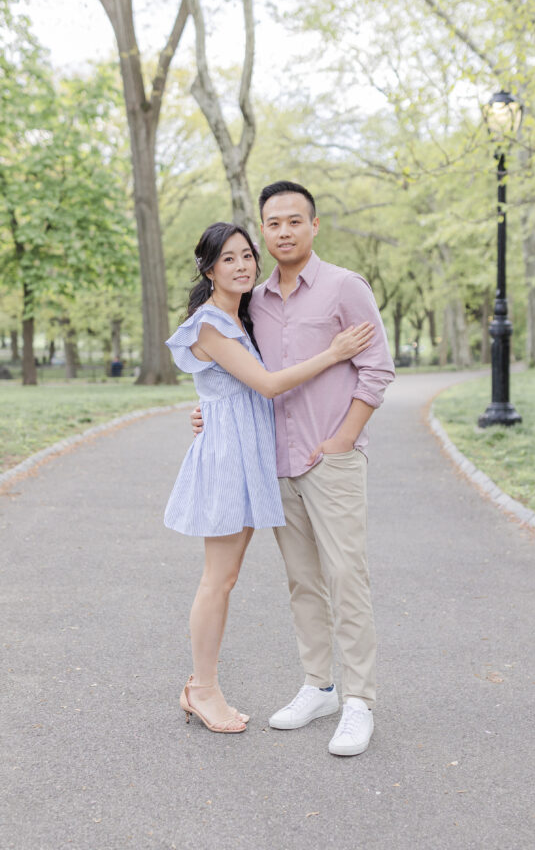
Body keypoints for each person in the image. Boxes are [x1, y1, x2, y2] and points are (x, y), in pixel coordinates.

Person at [192, 182, 395, 755]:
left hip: (329, 460)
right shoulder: (252, 301)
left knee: (346, 577)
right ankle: (319, 686)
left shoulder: (344, 287)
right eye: (272, 224)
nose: (282, 231)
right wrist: (207, 414)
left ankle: (358, 702)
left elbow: (376, 370)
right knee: (302, 581)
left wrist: (342, 440)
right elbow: (240, 377)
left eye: (293, 221)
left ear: (314, 225)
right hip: (274, 464)